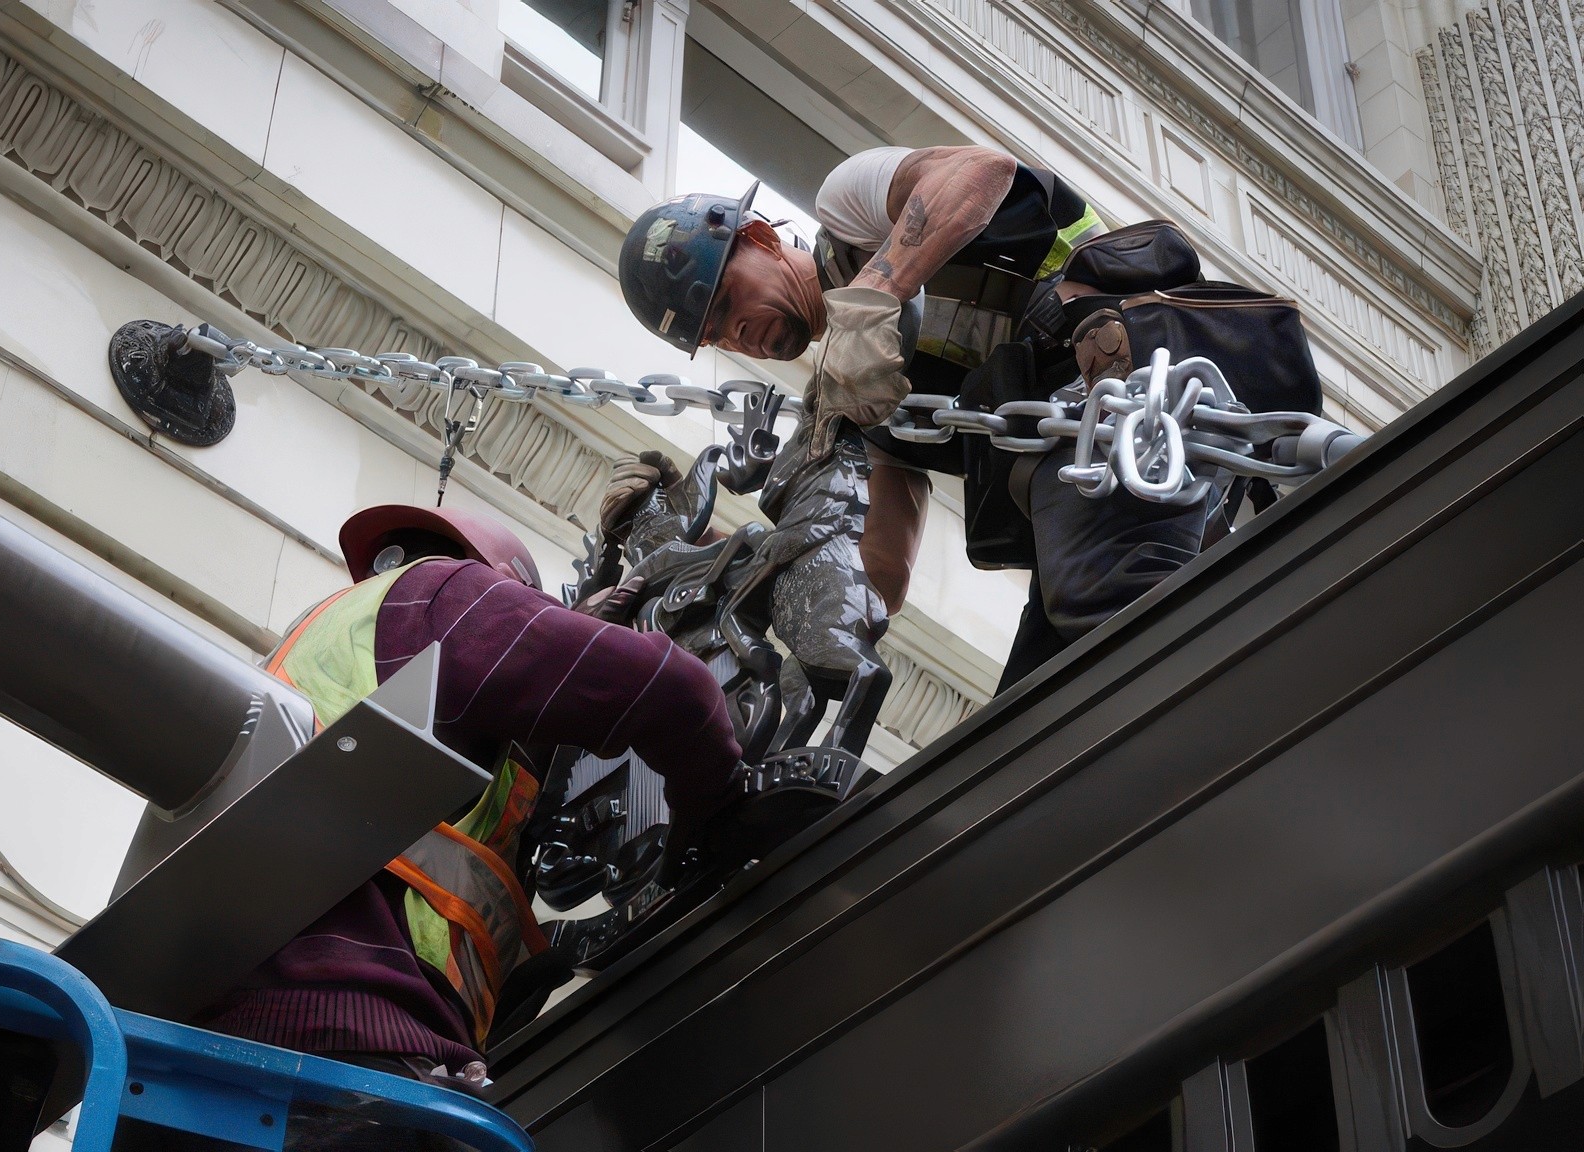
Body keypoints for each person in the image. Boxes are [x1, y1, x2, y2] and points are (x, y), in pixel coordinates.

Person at [200, 504, 746, 1147]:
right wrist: (714, 804)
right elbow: (664, 689)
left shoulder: (319, 657)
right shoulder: (442, 594)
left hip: (198, 1061)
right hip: (343, 1052)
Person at [616, 146, 1217, 691]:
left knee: (1101, 624)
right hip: (1088, 485)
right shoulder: (861, 402)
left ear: (761, 239)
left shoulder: (851, 208)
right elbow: (878, 578)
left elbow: (983, 172)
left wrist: (875, 292)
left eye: (724, 302)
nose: (736, 333)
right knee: (1033, 708)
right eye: (715, 334)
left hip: (1153, 377)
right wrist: (703, 549)